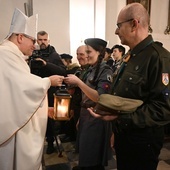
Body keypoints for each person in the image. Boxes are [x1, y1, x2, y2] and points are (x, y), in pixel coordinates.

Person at [88, 2, 170, 170]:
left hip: (142, 141)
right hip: (125, 135)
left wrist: (120, 119)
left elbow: (163, 108)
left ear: (134, 24)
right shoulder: (132, 56)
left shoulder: (158, 58)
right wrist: (115, 130)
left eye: (119, 26)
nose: (116, 31)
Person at [0, 8, 64, 170]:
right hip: (11, 132)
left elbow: (18, 96)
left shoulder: (10, 54)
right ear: (20, 37)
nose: (35, 46)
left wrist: (44, 109)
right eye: (33, 41)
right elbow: (25, 89)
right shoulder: (6, 55)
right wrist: (48, 81)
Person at [64, 38, 113, 170]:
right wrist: (81, 117)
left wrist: (78, 82)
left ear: (99, 52)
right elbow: (86, 99)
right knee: (86, 154)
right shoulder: (91, 69)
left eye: (88, 51)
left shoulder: (105, 70)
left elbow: (99, 98)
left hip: (97, 118)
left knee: (93, 158)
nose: (86, 55)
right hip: (87, 116)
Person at [29, 30, 67, 154]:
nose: (43, 42)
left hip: (50, 91)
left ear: (49, 41)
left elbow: (62, 71)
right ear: (37, 40)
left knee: (50, 119)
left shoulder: (54, 55)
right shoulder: (32, 53)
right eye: (40, 40)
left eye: (45, 40)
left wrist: (46, 64)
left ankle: (51, 142)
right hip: (35, 90)